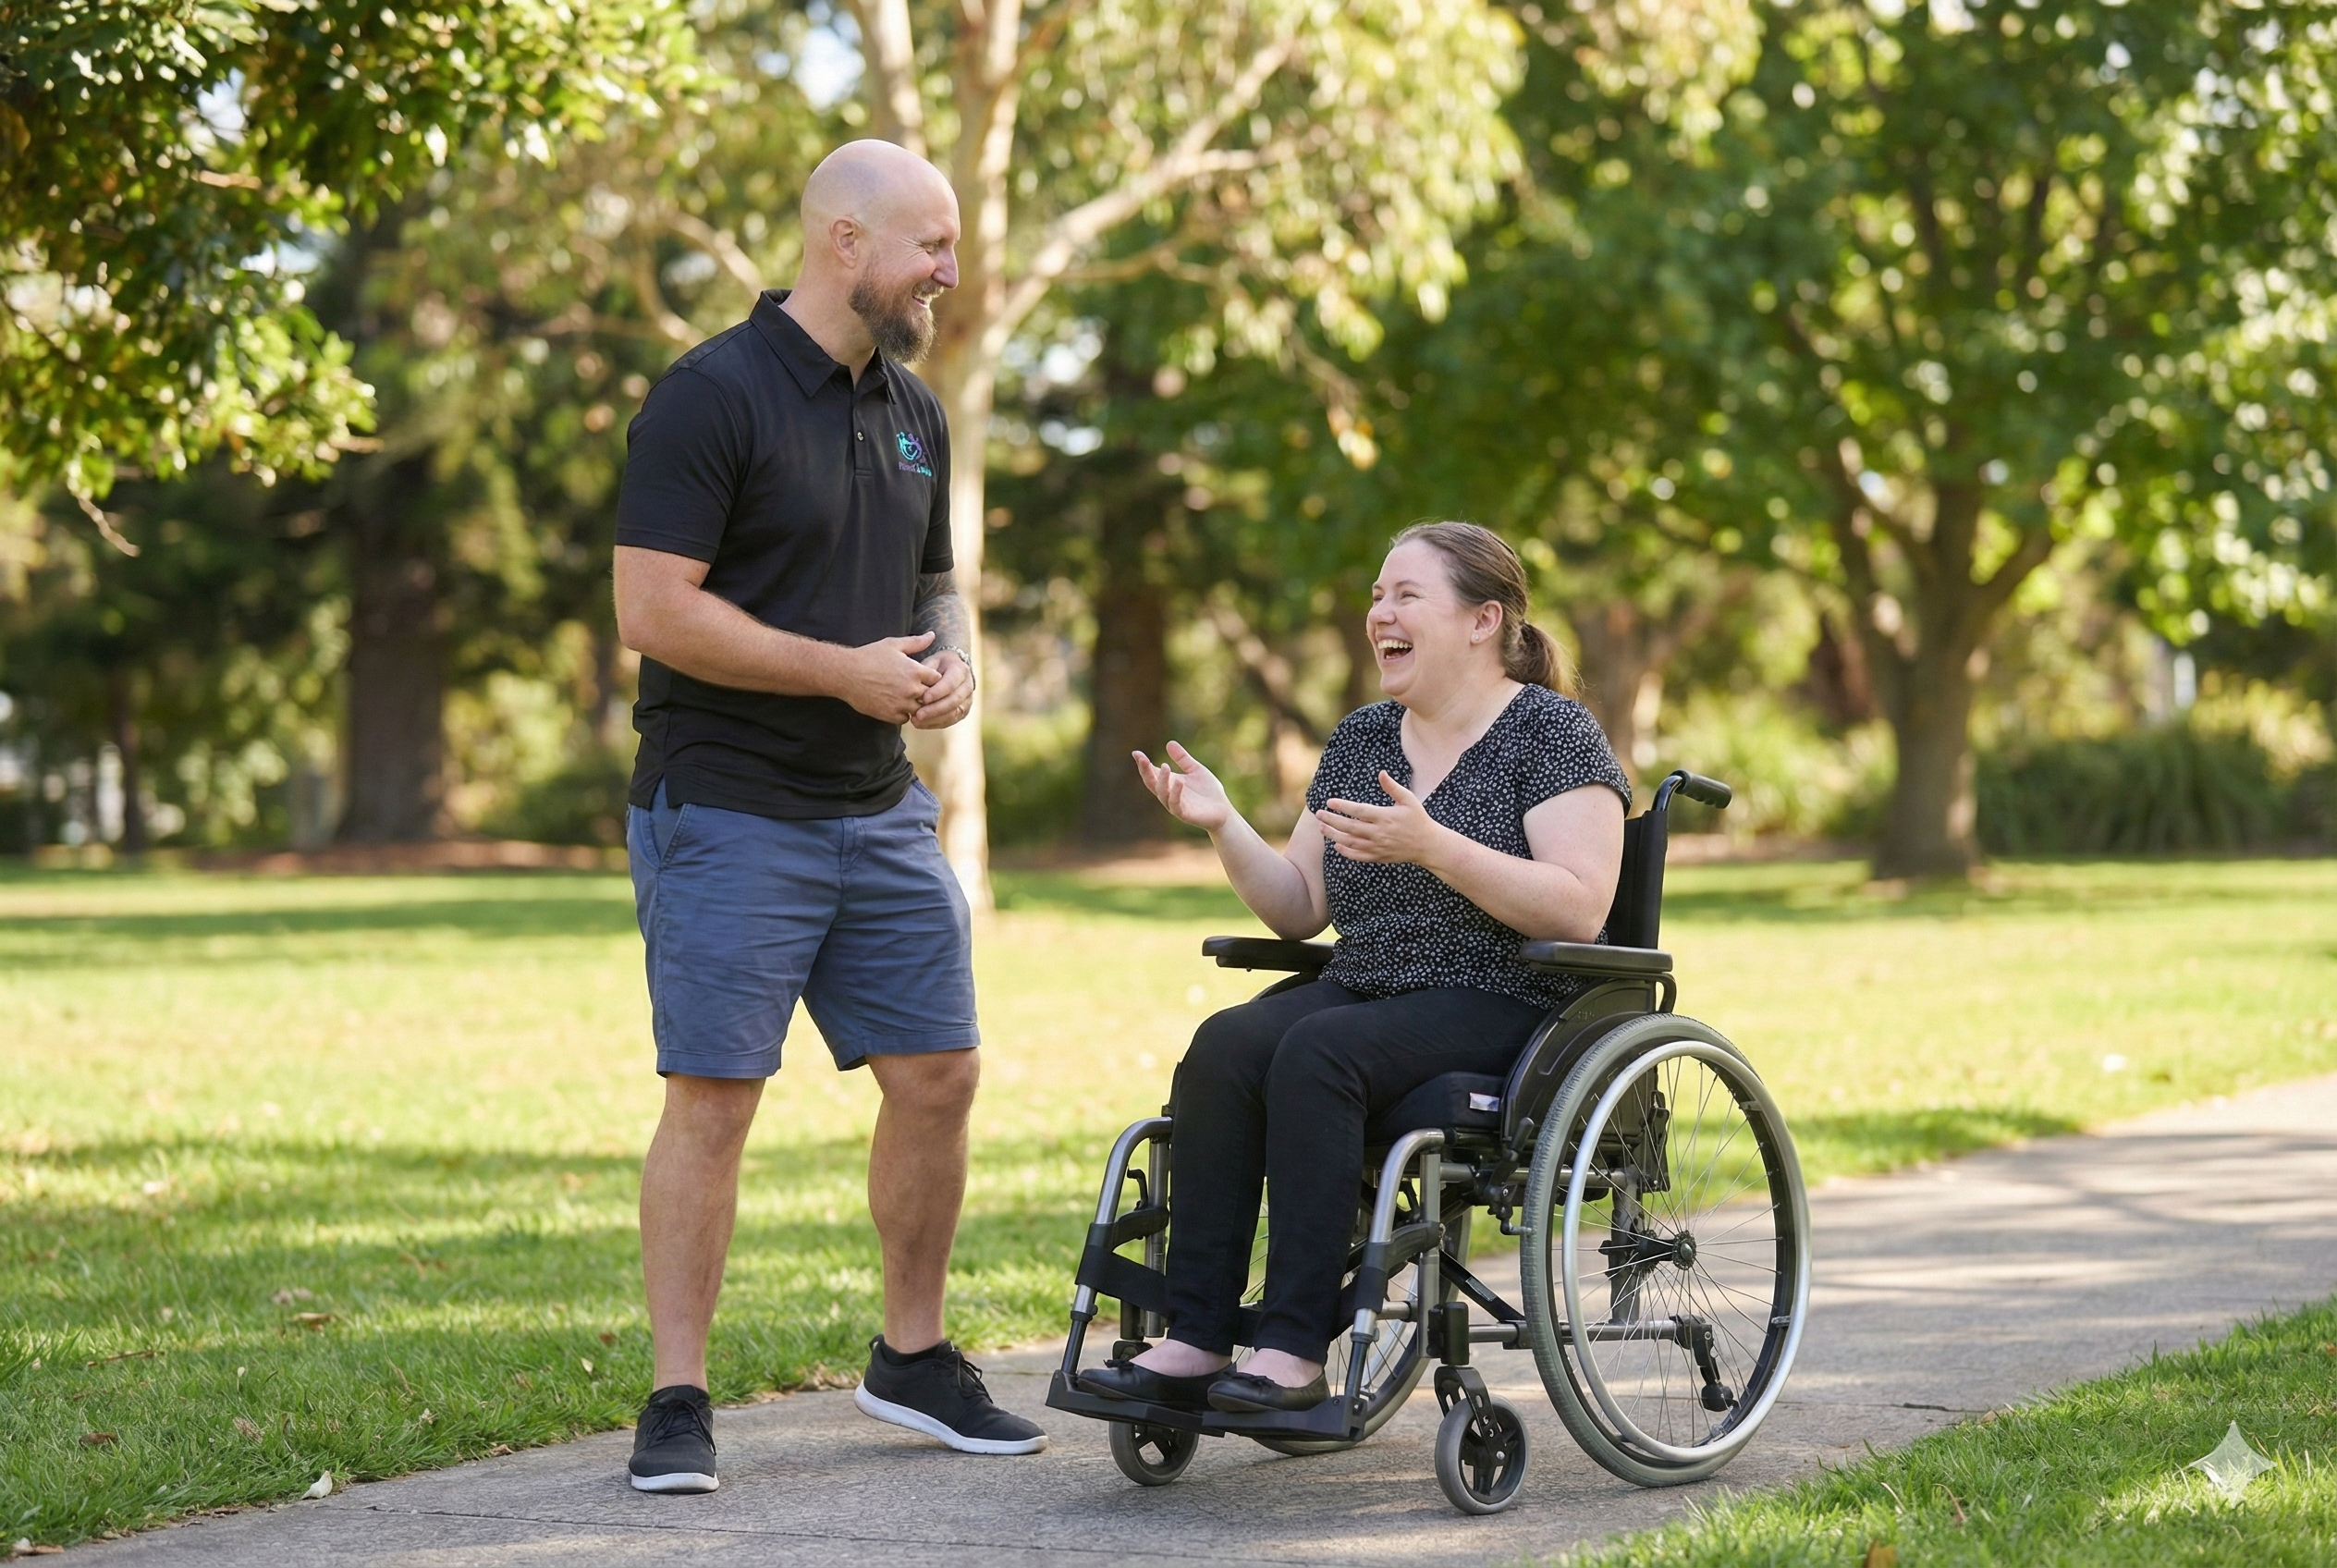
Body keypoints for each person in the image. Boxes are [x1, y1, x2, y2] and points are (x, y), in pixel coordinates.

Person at [611, 140, 1046, 1494]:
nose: (950, 272)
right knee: (716, 1100)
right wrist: (842, 672)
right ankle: (678, 1397)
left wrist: (948, 660)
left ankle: (910, 1358)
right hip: (729, 806)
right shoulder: (709, 397)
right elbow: (655, 610)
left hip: (879, 812)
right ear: (845, 243)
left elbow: (937, 584)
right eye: (933, 245)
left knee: (941, 1074)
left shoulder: (917, 410)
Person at [1081, 521, 1631, 1414]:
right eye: (1378, 595)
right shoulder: (1366, 737)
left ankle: (1295, 1350)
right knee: (1225, 1046)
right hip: (1368, 984)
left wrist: (1433, 846)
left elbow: (1579, 905)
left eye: (1406, 595)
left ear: (1484, 619)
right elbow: (1300, 906)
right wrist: (1225, 824)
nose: (1380, 612)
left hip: (1506, 996)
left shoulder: (1550, 732)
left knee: (1321, 1054)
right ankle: (1196, 1335)